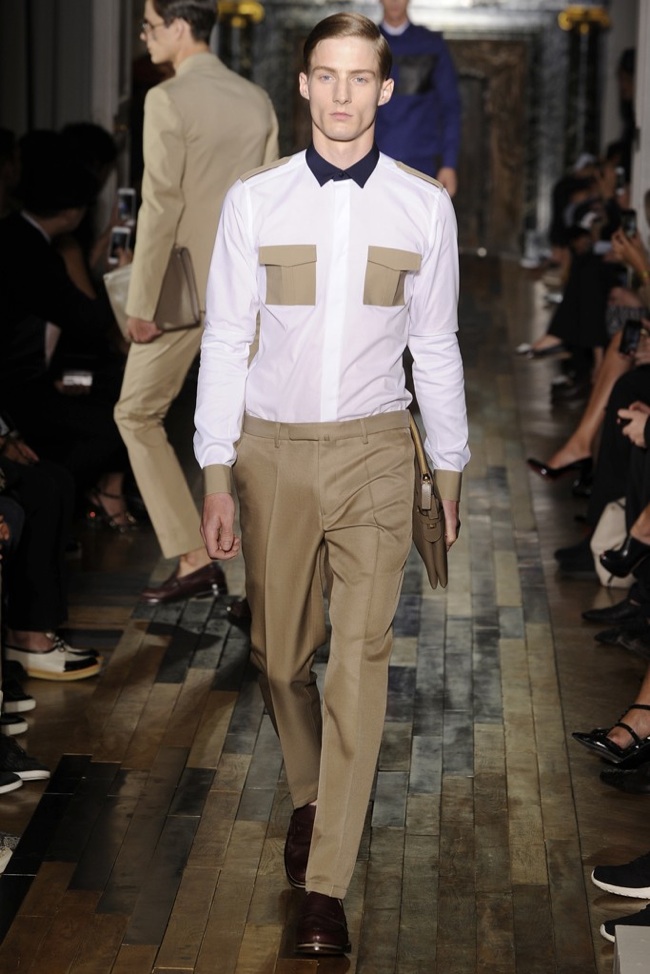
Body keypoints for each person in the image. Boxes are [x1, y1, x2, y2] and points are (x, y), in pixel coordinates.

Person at [195, 12, 469, 955]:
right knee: (280, 661)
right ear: (304, 84)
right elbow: (225, 338)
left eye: (361, 77)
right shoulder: (255, 201)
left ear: (385, 90)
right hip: (271, 452)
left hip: (377, 454)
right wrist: (216, 470)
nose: (343, 93)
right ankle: (311, 793)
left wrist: (450, 465)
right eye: (327, 75)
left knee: (360, 661)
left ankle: (326, 886)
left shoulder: (423, 208)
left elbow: (437, 344)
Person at [114, 0, 279, 604]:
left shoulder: (167, 98)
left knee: (136, 413)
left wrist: (140, 302)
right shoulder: (256, 99)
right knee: (257, 431)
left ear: (180, 27)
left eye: (150, 25)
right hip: (246, 285)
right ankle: (268, 582)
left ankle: (192, 555)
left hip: (179, 288)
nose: (145, 36)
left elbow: (162, 203)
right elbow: (270, 202)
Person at [374, 0, 461, 198]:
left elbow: (450, 106)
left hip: (421, 164)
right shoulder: (366, 43)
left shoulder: (432, 44)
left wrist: (449, 163)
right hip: (372, 161)